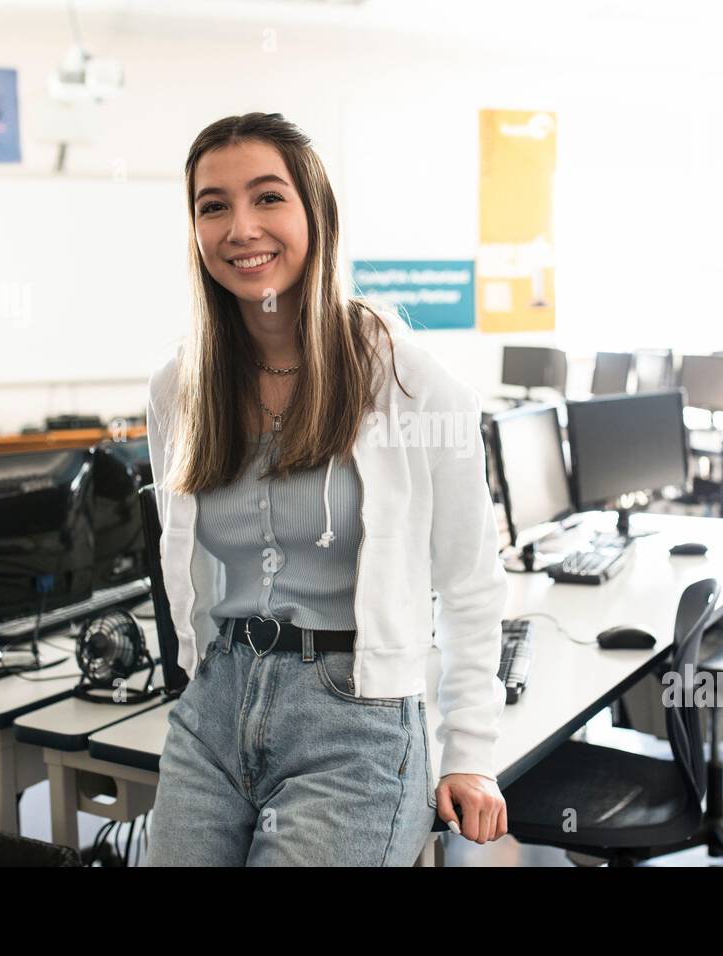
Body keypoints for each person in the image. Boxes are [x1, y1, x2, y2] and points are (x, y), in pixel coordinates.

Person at [145, 112, 509, 866]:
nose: (241, 227)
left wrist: (470, 747)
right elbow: (183, 565)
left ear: (317, 213)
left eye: (267, 197)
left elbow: (471, 578)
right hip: (215, 706)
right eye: (213, 206)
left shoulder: (407, 379)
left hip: (356, 716)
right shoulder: (179, 387)